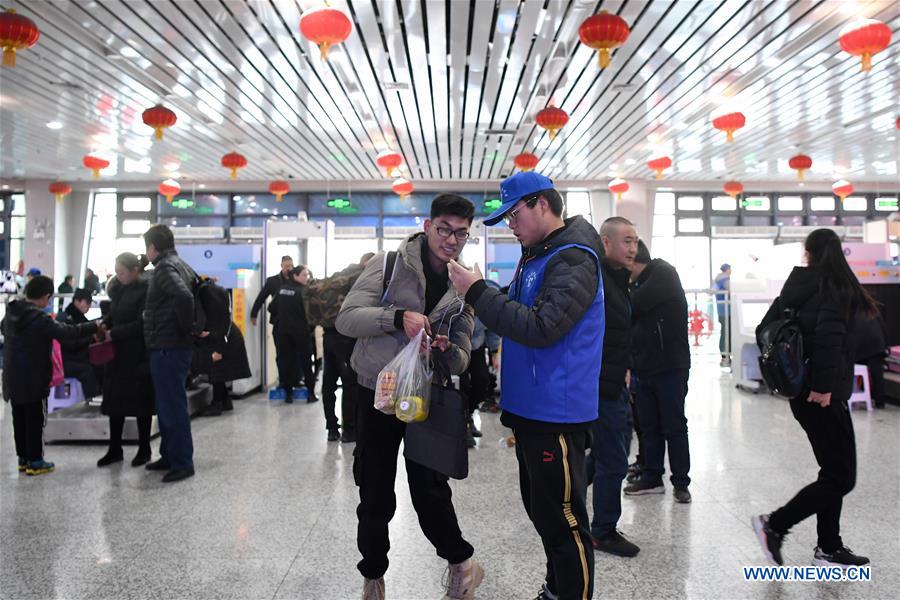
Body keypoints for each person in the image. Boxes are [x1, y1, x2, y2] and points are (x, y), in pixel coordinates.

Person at [448, 172, 603, 600]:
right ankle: (557, 589)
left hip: (558, 409)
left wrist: (478, 291)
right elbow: (518, 312)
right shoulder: (537, 255)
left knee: (565, 519)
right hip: (533, 407)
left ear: (541, 204)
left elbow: (542, 327)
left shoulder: (573, 259)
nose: (511, 226)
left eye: (514, 215)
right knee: (544, 513)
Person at [336, 194, 482, 600]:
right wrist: (397, 318)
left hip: (427, 398)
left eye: (460, 233)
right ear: (427, 226)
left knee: (430, 492)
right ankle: (373, 578)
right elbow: (346, 319)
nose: (451, 240)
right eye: (443, 230)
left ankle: (461, 565)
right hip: (378, 393)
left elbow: (463, 356)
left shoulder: (465, 285)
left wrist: (446, 351)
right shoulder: (387, 265)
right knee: (376, 490)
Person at [752, 228, 878, 569]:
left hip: (801, 390)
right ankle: (774, 525)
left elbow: (765, 329)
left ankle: (828, 546)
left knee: (832, 471)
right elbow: (828, 340)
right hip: (822, 394)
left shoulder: (796, 286)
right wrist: (822, 387)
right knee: (841, 477)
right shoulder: (834, 287)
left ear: (808, 253)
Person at [2, 276, 101, 475]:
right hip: (33, 376)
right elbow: (68, 332)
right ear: (46, 297)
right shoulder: (39, 319)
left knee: (19, 417)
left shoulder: (11, 313)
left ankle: (23, 459)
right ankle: (36, 461)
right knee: (35, 419)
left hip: (12, 375)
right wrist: (94, 326)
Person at [586, 216, 640, 558]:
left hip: (616, 381)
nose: (633, 248)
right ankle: (602, 530)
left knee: (605, 455)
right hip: (602, 385)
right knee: (614, 460)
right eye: (626, 241)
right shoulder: (597, 278)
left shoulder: (619, 279)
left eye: (635, 242)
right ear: (606, 242)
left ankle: (563, 503)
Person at [624, 240, 692, 503]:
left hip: (670, 366)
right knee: (649, 425)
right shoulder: (638, 282)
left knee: (674, 426)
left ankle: (681, 482)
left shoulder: (663, 272)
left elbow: (632, 306)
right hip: (644, 366)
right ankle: (652, 476)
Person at [142, 224, 198, 484]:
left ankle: (182, 462)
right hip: (169, 345)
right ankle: (168, 455)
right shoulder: (180, 263)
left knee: (173, 407)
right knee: (166, 406)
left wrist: (185, 330)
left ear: (153, 247)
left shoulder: (164, 268)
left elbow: (185, 297)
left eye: (147, 247)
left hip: (169, 346)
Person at [306, 253, 375, 442]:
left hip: (328, 335)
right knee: (349, 383)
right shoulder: (359, 277)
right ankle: (349, 430)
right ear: (367, 263)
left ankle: (331, 428)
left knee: (329, 383)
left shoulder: (340, 275)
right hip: (345, 337)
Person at [97, 253, 155, 467]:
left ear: (134, 271)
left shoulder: (145, 290)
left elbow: (142, 323)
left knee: (141, 403)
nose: (119, 276)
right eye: (117, 272)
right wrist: (105, 324)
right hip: (117, 355)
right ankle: (114, 448)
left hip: (137, 353)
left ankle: (144, 448)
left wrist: (116, 333)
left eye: (122, 272)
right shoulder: (119, 290)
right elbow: (115, 313)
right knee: (114, 402)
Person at [198, 278, 252, 416]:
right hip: (226, 336)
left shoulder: (209, 296)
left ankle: (217, 404)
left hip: (226, 339)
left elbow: (221, 327)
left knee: (217, 371)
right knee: (218, 371)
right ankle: (225, 401)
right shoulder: (213, 296)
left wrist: (219, 350)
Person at [275, 265, 318, 403]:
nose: (307, 277)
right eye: (304, 275)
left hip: (284, 332)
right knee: (306, 363)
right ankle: (311, 394)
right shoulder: (304, 292)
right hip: (301, 333)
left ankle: (288, 395)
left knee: (287, 363)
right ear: (295, 276)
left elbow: (272, 308)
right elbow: (312, 314)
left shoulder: (281, 290)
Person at [250, 255, 294, 388]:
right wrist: (254, 314)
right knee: (281, 354)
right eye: (287, 266)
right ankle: (282, 381)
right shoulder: (273, 281)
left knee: (295, 355)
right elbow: (261, 298)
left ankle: (295, 380)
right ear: (281, 266)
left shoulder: (296, 280)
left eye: (291, 266)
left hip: (295, 324)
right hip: (279, 323)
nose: (289, 269)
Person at [55, 288, 101, 398]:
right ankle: (92, 400)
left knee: (101, 366)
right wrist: (89, 337)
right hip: (64, 362)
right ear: (77, 301)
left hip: (76, 358)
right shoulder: (64, 319)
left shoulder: (80, 318)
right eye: (87, 303)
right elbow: (68, 344)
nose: (89, 307)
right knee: (88, 370)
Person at [854, 309, 888, 409]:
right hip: (877, 345)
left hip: (860, 347)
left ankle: (857, 394)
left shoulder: (850, 311)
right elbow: (884, 329)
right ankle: (880, 402)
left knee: (855, 369)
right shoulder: (873, 309)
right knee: (877, 373)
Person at [714, 263, 732, 367]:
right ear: (727, 269)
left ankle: (724, 355)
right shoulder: (725, 280)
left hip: (721, 311)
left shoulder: (717, 280)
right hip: (727, 312)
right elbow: (731, 291)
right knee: (727, 333)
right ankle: (726, 356)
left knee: (724, 332)